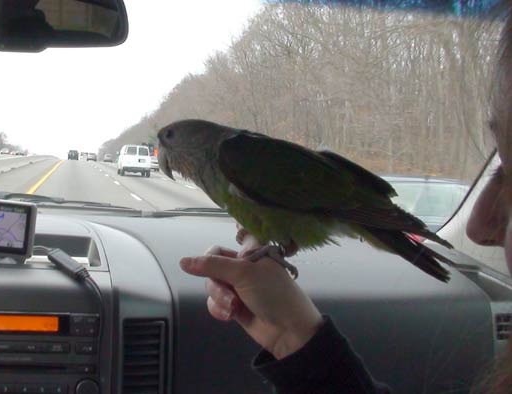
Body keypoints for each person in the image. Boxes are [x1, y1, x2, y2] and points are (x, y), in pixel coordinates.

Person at [179, 6, 512, 394]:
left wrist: (276, 250)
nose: (479, 224)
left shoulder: (234, 154)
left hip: (339, 204)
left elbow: (304, 202)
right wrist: (293, 334)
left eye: (506, 173)